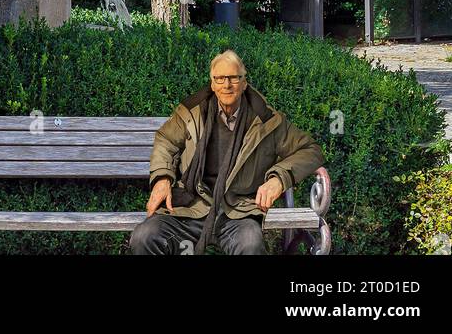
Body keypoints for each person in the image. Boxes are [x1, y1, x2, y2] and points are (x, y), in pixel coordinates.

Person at [128, 49, 324, 256]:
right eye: (220, 79)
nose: (227, 85)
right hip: (191, 208)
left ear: (244, 82)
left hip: (238, 213)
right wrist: (162, 177)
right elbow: (165, 140)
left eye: (233, 78)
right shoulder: (191, 112)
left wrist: (279, 179)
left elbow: (311, 150)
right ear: (212, 85)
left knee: (250, 245)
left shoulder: (266, 121)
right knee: (145, 237)